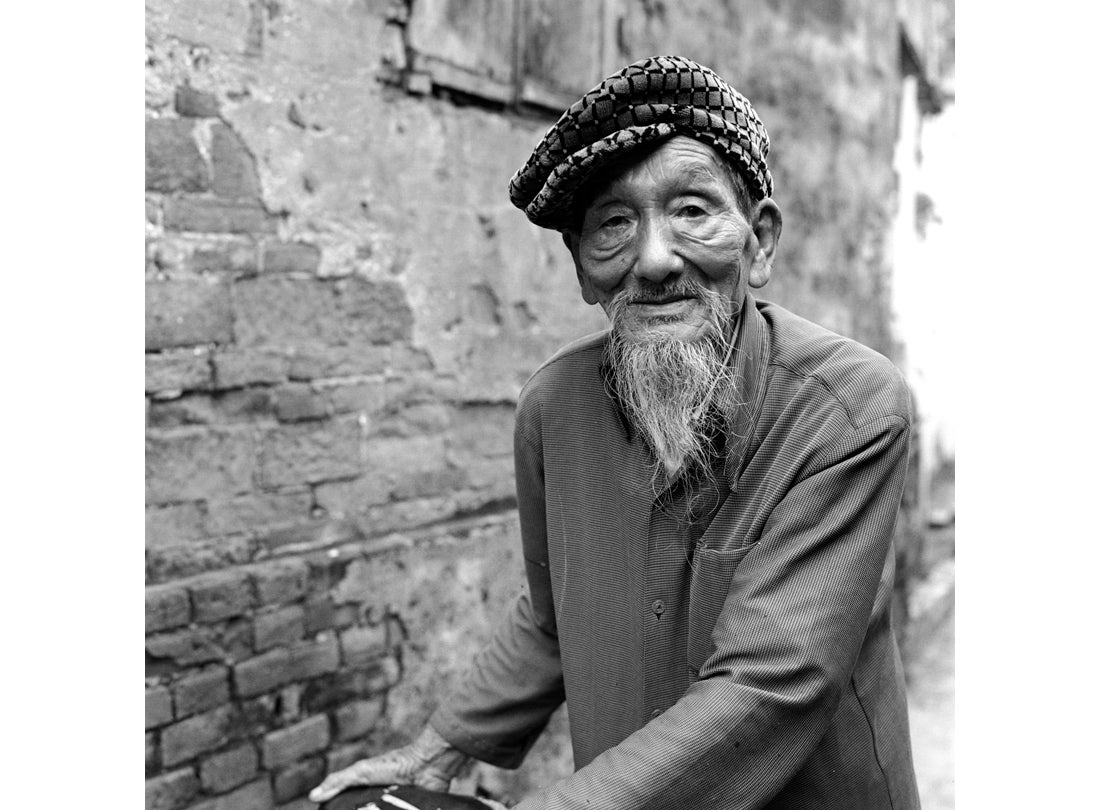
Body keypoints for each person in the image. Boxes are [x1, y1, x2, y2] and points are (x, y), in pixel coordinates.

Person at [311, 54, 921, 809]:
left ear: (758, 242)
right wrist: (437, 753)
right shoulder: (553, 408)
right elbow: (549, 618)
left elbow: (772, 681)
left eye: (693, 211)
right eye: (613, 224)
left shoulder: (848, 410)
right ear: (580, 268)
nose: (655, 259)